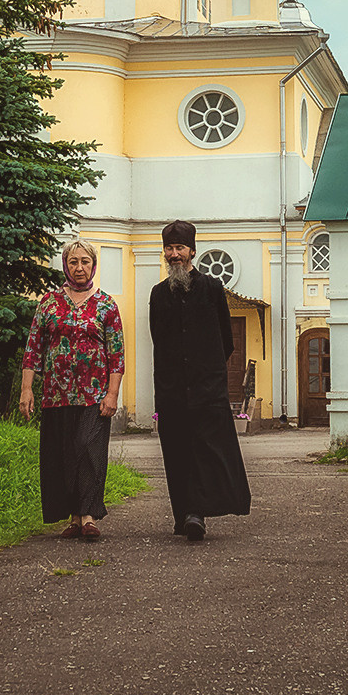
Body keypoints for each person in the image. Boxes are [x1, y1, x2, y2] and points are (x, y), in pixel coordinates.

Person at [148, 220, 251, 540]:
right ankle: (183, 514)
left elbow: (226, 339)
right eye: (169, 248)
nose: (174, 254)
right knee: (176, 451)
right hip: (172, 390)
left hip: (207, 390)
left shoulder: (211, 287)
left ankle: (196, 512)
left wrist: (208, 374)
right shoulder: (158, 293)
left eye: (180, 248)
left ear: (192, 251)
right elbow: (158, 340)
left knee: (205, 452)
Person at [20, 239, 125, 541]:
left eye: (85, 262)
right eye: (73, 262)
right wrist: (27, 389)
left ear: (94, 265)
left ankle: (90, 515)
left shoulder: (106, 304)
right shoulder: (50, 302)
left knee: (87, 449)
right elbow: (33, 349)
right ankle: (75, 517)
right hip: (57, 393)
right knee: (64, 454)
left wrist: (112, 394)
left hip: (94, 395)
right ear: (66, 265)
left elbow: (117, 354)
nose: (79, 267)